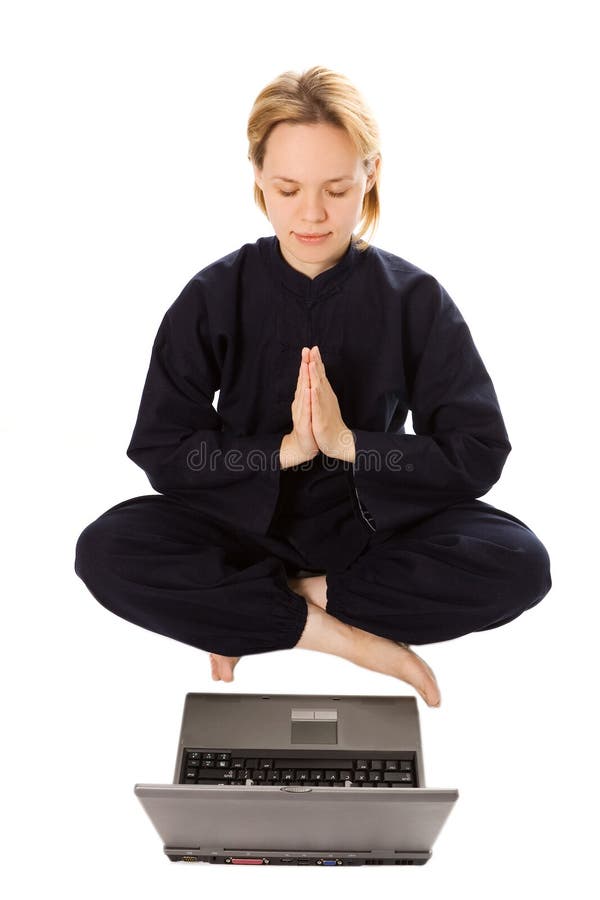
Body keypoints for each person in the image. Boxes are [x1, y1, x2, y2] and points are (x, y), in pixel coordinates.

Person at [74, 66, 552, 708]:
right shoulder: (215, 294)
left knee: (520, 561)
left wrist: (348, 442)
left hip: (371, 526)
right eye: (288, 188)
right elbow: (163, 448)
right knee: (106, 550)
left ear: (370, 175)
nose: (312, 213)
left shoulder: (414, 300)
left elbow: (477, 452)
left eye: (336, 187)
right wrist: (283, 452)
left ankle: (273, 603)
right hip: (241, 519)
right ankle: (343, 638)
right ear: (259, 182)